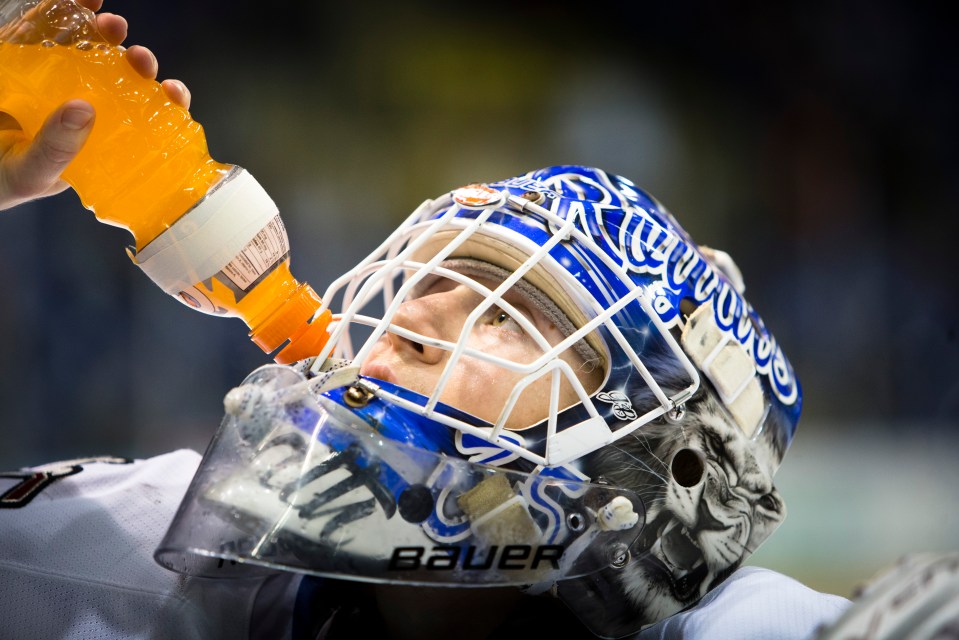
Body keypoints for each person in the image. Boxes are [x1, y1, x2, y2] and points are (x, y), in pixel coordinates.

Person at [0, 2, 850, 638]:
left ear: (656, 462)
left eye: (509, 312)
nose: (411, 314)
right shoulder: (101, 554)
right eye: (429, 276)